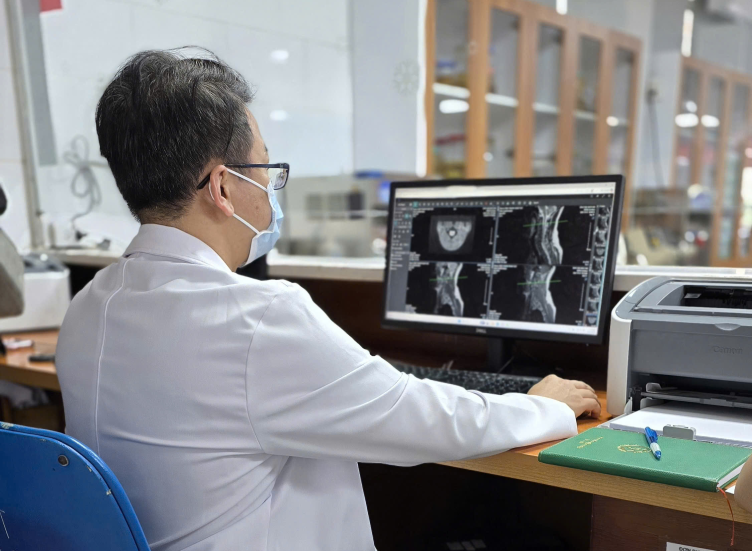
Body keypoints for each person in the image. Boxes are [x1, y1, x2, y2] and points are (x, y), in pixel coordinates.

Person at [56, 48, 601, 551]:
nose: (272, 189)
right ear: (222, 188)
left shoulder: (86, 308)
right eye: (266, 170)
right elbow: (420, 417)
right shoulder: (256, 320)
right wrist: (545, 406)